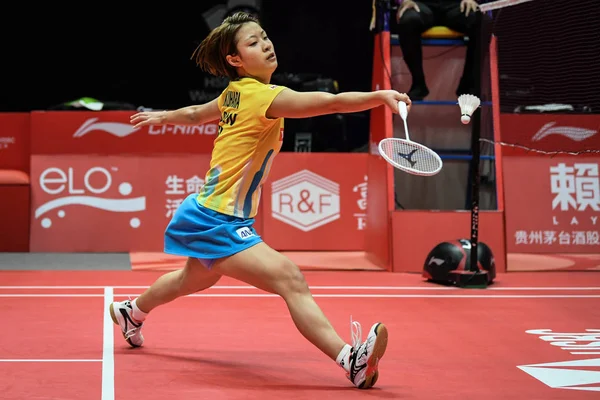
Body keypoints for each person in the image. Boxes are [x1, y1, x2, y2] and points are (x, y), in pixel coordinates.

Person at [109, 11, 411, 390]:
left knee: (192, 280)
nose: (266, 44)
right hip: (217, 218)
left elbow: (194, 114)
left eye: (264, 37)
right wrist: (380, 96)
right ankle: (350, 359)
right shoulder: (261, 97)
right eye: (253, 43)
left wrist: (163, 116)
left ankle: (131, 312)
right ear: (235, 60)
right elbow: (329, 103)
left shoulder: (232, 95)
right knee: (290, 278)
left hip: (213, 212)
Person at [393, 0, 484, 100]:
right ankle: (418, 84)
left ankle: (468, 85)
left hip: (456, 5)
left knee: (480, 20)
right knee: (408, 20)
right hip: (421, 5)